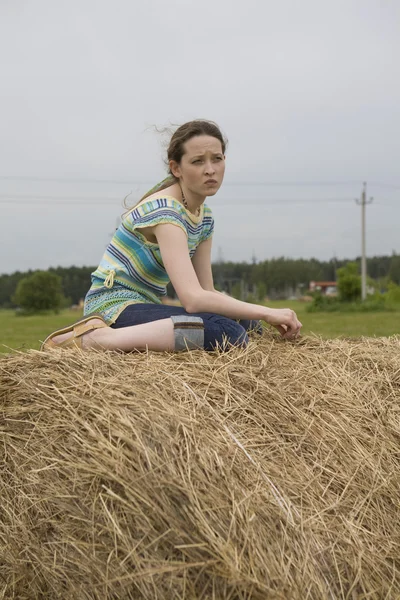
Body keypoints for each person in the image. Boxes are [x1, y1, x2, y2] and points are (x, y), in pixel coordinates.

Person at [41, 120, 302, 353]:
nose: (210, 169)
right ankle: (95, 340)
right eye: (198, 161)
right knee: (229, 333)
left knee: (248, 325)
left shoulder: (204, 216)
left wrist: (257, 316)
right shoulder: (165, 212)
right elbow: (192, 299)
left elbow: (206, 291)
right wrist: (268, 310)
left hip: (144, 304)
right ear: (176, 168)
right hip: (113, 307)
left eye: (217, 159)